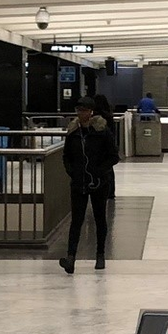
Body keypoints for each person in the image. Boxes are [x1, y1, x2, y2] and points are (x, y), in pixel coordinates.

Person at [59, 94, 118, 273]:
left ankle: (100, 255)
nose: (81, 113)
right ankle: (71, 258)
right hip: (79, 182)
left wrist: (100, 171)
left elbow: (114, 156)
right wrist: (72, 172)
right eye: (78, 110)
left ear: (91, 112)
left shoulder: (102, 131)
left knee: (100, 218)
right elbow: (66, 156)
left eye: (84, 110)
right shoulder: (73, 132)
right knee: (76, 220)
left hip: (100, 182)